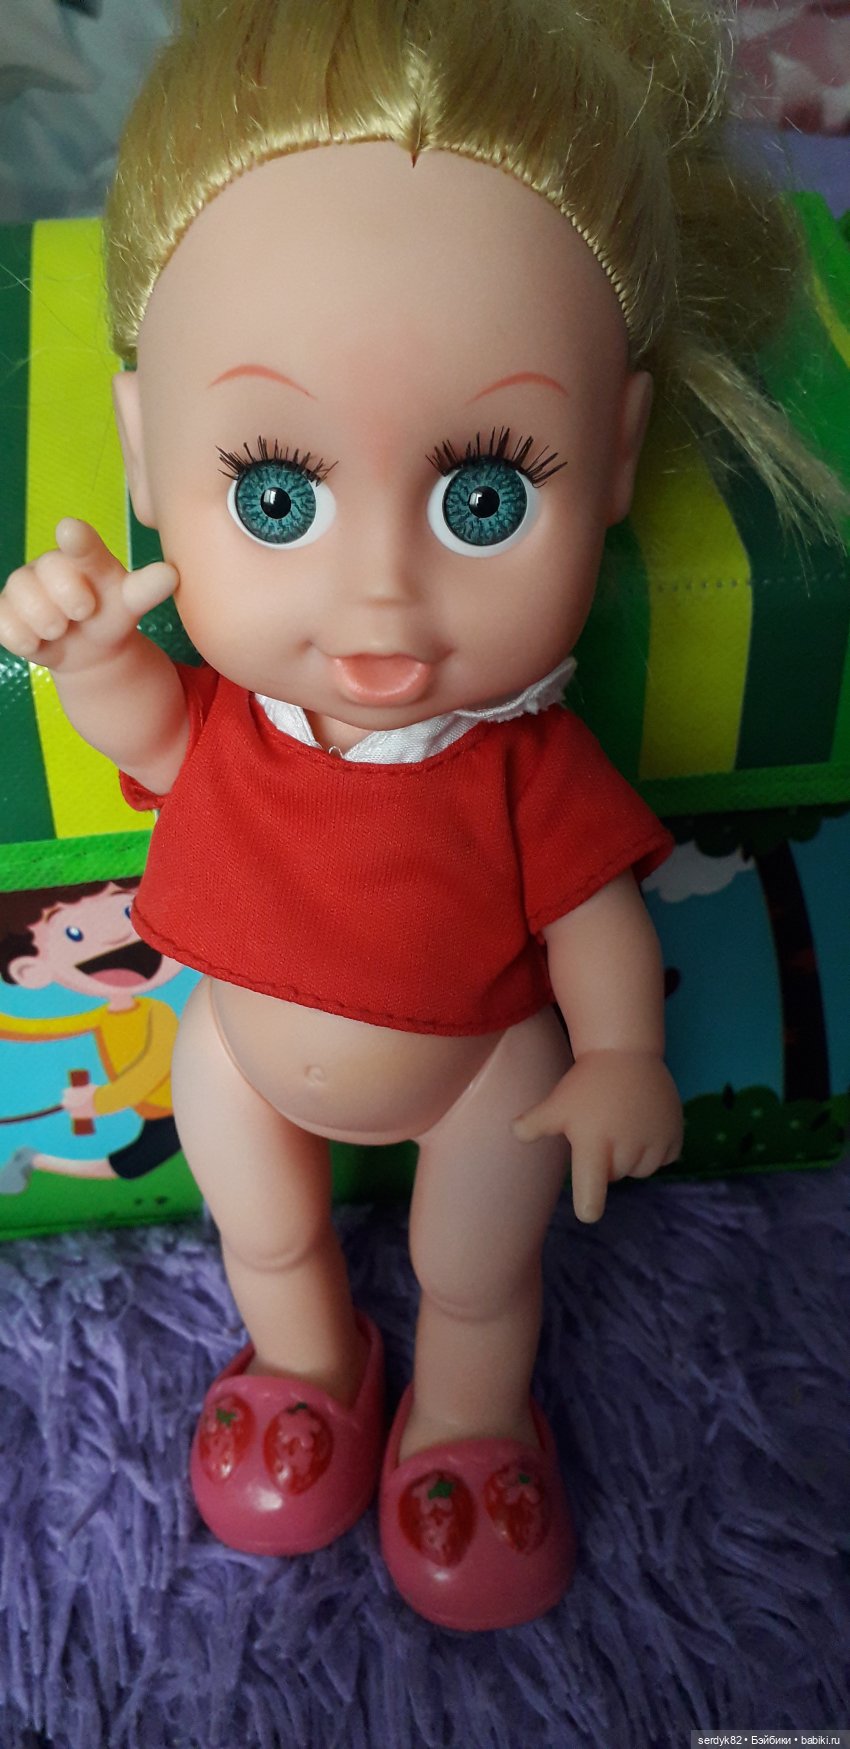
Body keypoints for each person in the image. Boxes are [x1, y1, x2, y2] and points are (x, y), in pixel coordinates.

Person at [0, 0, 843, 1629]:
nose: (380, 595)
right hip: (244, 1046)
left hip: (479, 1075)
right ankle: (306, 1363)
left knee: (481, 1272)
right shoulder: (246, 719)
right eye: (275, 495)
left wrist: (619, 1056)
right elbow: (155, 740)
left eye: (482, 494)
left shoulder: (515, 759)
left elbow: (592, 912)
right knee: (262, 1228)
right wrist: (92, 653)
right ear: (145, 451)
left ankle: (464, 1415)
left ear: (612, 455)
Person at [0, 879, 183, 1191]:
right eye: (73, 933)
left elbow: (152, 1068)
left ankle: (35, 1160)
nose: (117, 936)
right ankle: (35, 1160)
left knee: (129, 1166)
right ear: (32, 969)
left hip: (183, 1106)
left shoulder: (157, 1013)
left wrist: (101, 1100)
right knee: (127, 1166)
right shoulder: (104, 1017)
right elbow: (50, 1029)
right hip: (164, 1113)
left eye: (128, 911)